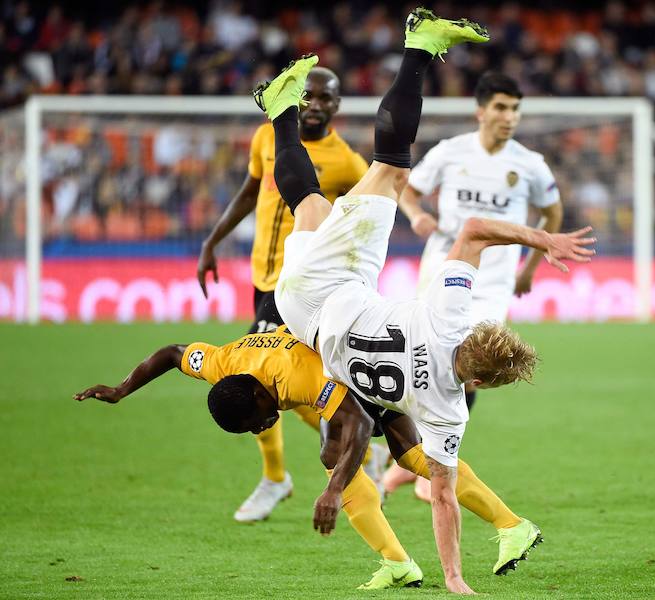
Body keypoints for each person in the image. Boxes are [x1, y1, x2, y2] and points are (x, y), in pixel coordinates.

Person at [253, 8, 594, 594]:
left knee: (388, 167)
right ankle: (280, 106)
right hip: (308, 314)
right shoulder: (447, 411)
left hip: (332, 289)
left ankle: (418, 45)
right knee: (310, 203)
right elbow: (441, 495)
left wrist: (544, 239)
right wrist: (455, 579)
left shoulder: (450, 316)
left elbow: (473, 232)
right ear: (479, 384)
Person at [73, 325, 545, 590]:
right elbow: (172, 353)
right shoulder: (221, 365)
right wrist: (121, 390)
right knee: (410, 456)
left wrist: (332, 491)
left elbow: (359, 422)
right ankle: (505, 528)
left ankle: (402, 560)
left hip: (369, 364)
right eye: (252, 432)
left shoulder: (296, 379)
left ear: (261, 395)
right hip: (350, 361)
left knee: (341, 450)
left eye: (256, 421)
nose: (261, 428)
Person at [195, 67, 384, 523]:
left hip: (303, 286)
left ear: (338, 106)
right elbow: (249, 192)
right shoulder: (267, 138)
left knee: (253, 375)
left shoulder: (347, 162)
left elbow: (363, 220)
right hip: (263, 276)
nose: (315, 104)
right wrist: (212, 241)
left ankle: (279, 475)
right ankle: (352, 438)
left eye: (326, 98)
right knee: (283, 381)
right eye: (308, 96)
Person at [389, 70, 563, 501]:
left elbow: (552, 215)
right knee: (421, 361)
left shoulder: (529, 164)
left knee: (470, 370)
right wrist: (416, 216)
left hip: (494, 282)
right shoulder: (451, 152)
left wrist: (529, 270)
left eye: (516, 109)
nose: (510, 117)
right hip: (443, 271)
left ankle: (434, 468)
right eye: (502, 107)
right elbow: (407, 190)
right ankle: (408, 460)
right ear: (481, 111)